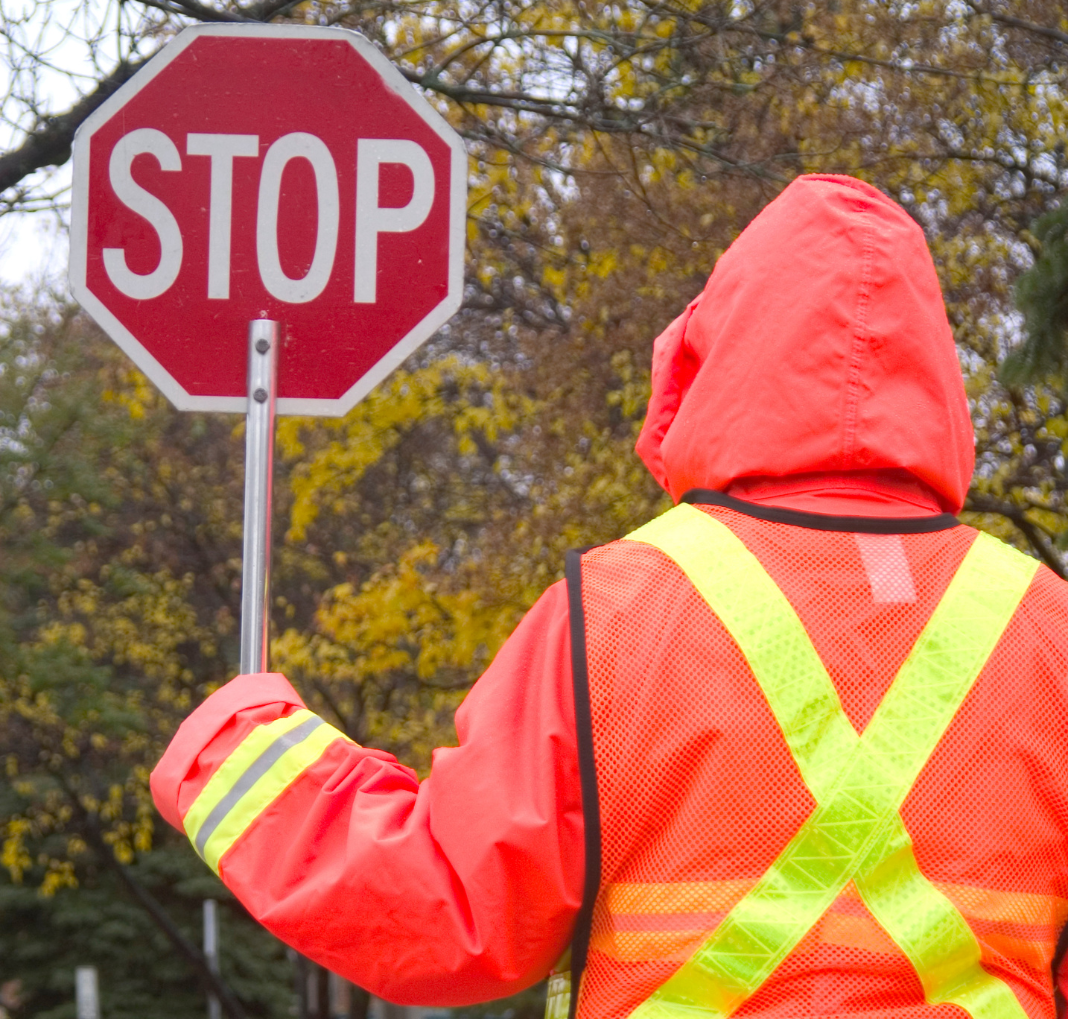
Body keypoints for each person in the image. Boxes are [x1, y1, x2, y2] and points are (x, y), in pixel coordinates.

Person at [151, 174, 1066, 1019]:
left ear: (715, 356)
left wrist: (238, 753)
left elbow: (451, 906)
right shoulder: (1049, 625)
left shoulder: (617, 610)